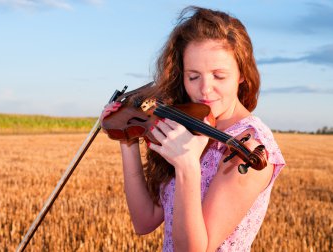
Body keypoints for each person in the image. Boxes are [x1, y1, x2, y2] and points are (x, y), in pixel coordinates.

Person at [101, 6, 285, 251]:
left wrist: (187, 167)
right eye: (193, 76)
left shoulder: (249, 146)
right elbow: (144, 220)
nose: (205, 89)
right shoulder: (186, 124)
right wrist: (127, 134)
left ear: (242, 74)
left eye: (219, 76)